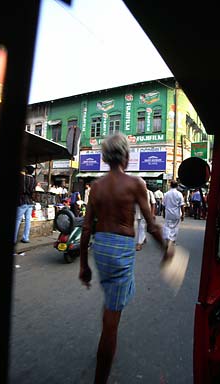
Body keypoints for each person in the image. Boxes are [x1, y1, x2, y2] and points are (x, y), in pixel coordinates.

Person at [79, 132, 173, 384]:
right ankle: (101, 376)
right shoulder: (135, 183)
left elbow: (87, 227)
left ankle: (106, 334)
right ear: (126, 157)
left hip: (100, 248)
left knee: (111, 299)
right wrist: (166, 249)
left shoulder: (96, 186)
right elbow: (152, 225)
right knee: (112, 321)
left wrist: (83, 265)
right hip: (120, 248)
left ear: (105, 158)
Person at [14, 165, 36, 244]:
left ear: (27, 171)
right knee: (28, 221)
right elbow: (33, 191)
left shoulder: (23, 178)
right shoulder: (34, 180)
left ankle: (13, 239)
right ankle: (25, 238)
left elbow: (21, 190)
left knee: (17, 220)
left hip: (23, 201)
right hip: (30, 202)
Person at [162, 180, 185, 245]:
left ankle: (168, 238)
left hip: (168, 213)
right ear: (177, 186)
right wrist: (183, 214)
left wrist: (164, 213)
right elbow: (182, 205)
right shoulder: (179, 194)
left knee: (167, 226)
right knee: (175, 227)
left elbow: (163, 205)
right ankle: (173, 240)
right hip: (176, 214)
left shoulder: (166, 194)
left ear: (170, 185)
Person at [135, 181, 156, 251]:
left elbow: (153, 203)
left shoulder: (149, 193)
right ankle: (143, 238)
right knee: (140, 227)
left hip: (146, 213)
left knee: (141, 227)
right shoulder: (136, 192)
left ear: (145, 185)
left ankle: (139, 243)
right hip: (138, 213)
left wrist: (152, 213)